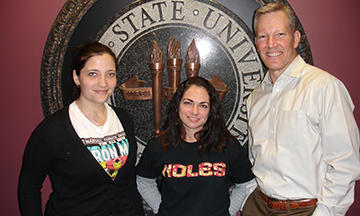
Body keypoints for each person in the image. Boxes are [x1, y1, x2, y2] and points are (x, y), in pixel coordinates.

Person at [242, 2, 360, 216]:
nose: (271, 44)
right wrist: (249, 198)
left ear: (296, 38)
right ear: (256, 43)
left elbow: (345, 165)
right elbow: (255, 158)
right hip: (258, 207)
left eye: (279, 34)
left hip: (305, 210)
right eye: (262, 36)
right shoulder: (255, 98)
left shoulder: (324, 87)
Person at [18, 41, 144, 216]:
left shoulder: (124, 119)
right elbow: (29, 186)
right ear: (77, 78)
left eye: (110, 74)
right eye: (93, 74)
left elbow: (128, 182)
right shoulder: (52, 131)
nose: (103, 83)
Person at [136, 76, 255, 216]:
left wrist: (227, 211)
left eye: (203, 105)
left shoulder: (227, 145)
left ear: (211, 110)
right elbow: (143, 181)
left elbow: (246, 184)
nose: (194, 111)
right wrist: (161, 209)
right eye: (188, 103)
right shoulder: (159, 145)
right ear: (177, 105)